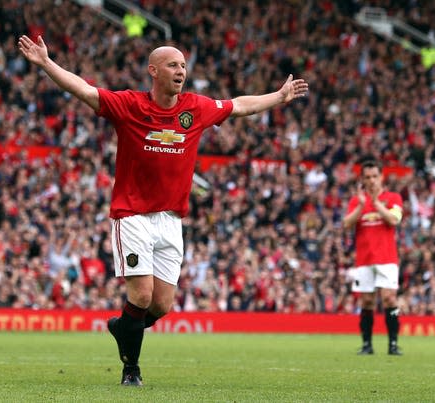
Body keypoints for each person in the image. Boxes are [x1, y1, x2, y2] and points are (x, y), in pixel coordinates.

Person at [18, 34, 308, 386]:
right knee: (140, 294)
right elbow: (86, 90)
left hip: (171, 219)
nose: (181, 71)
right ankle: (131, 370)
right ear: (152, 71)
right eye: (173, 65)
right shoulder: (130, 105)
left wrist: (278, 97)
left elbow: (239, 105)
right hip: (133, 214)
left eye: (184, 65)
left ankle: (123, 327)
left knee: (161, 306)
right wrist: (47, 64)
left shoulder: (195, 108)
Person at [343, 159, 403, 356]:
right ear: (362, 179)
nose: (371, 181)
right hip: (364, 259)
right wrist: (361, 206)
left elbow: (394, 219)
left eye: (375, 176)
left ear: (382, 177)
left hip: (387, 258)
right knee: (367, 302)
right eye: (367, 177)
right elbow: (346, 224)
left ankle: (393, 344)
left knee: (389, 298)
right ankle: (367, 344)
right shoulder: (356, 201)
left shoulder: (393, 197)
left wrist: (377, 204)